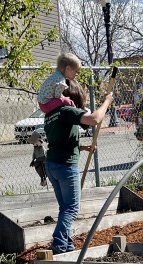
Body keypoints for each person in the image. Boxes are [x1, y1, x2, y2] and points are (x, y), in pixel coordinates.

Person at [44, 79, 113, 254]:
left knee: (64, 207)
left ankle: (66, 244)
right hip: (66, 166)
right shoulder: (66, 110)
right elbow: (95, 119)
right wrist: (107, 101)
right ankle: (59, 243)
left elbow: (60, 140)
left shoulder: (50, 114)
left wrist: (82, 147)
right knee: (72, 208)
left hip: (52, 164)